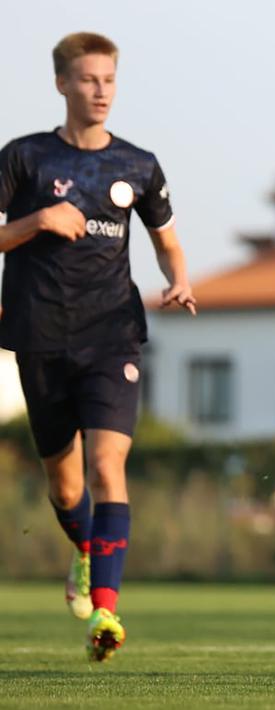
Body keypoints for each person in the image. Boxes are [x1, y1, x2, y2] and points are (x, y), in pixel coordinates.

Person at [0, 32, 196, 662]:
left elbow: (167, 240)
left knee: (108, 467)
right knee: (63, 489)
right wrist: (35, 222)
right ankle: (84, 554)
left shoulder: (138, 164)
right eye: (88, 79)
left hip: (114, 335)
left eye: (109, 79)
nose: (101, 90)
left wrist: (179, 280)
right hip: (38, 338)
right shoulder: (23, 158)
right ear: (62, 84)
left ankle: (106, 613)